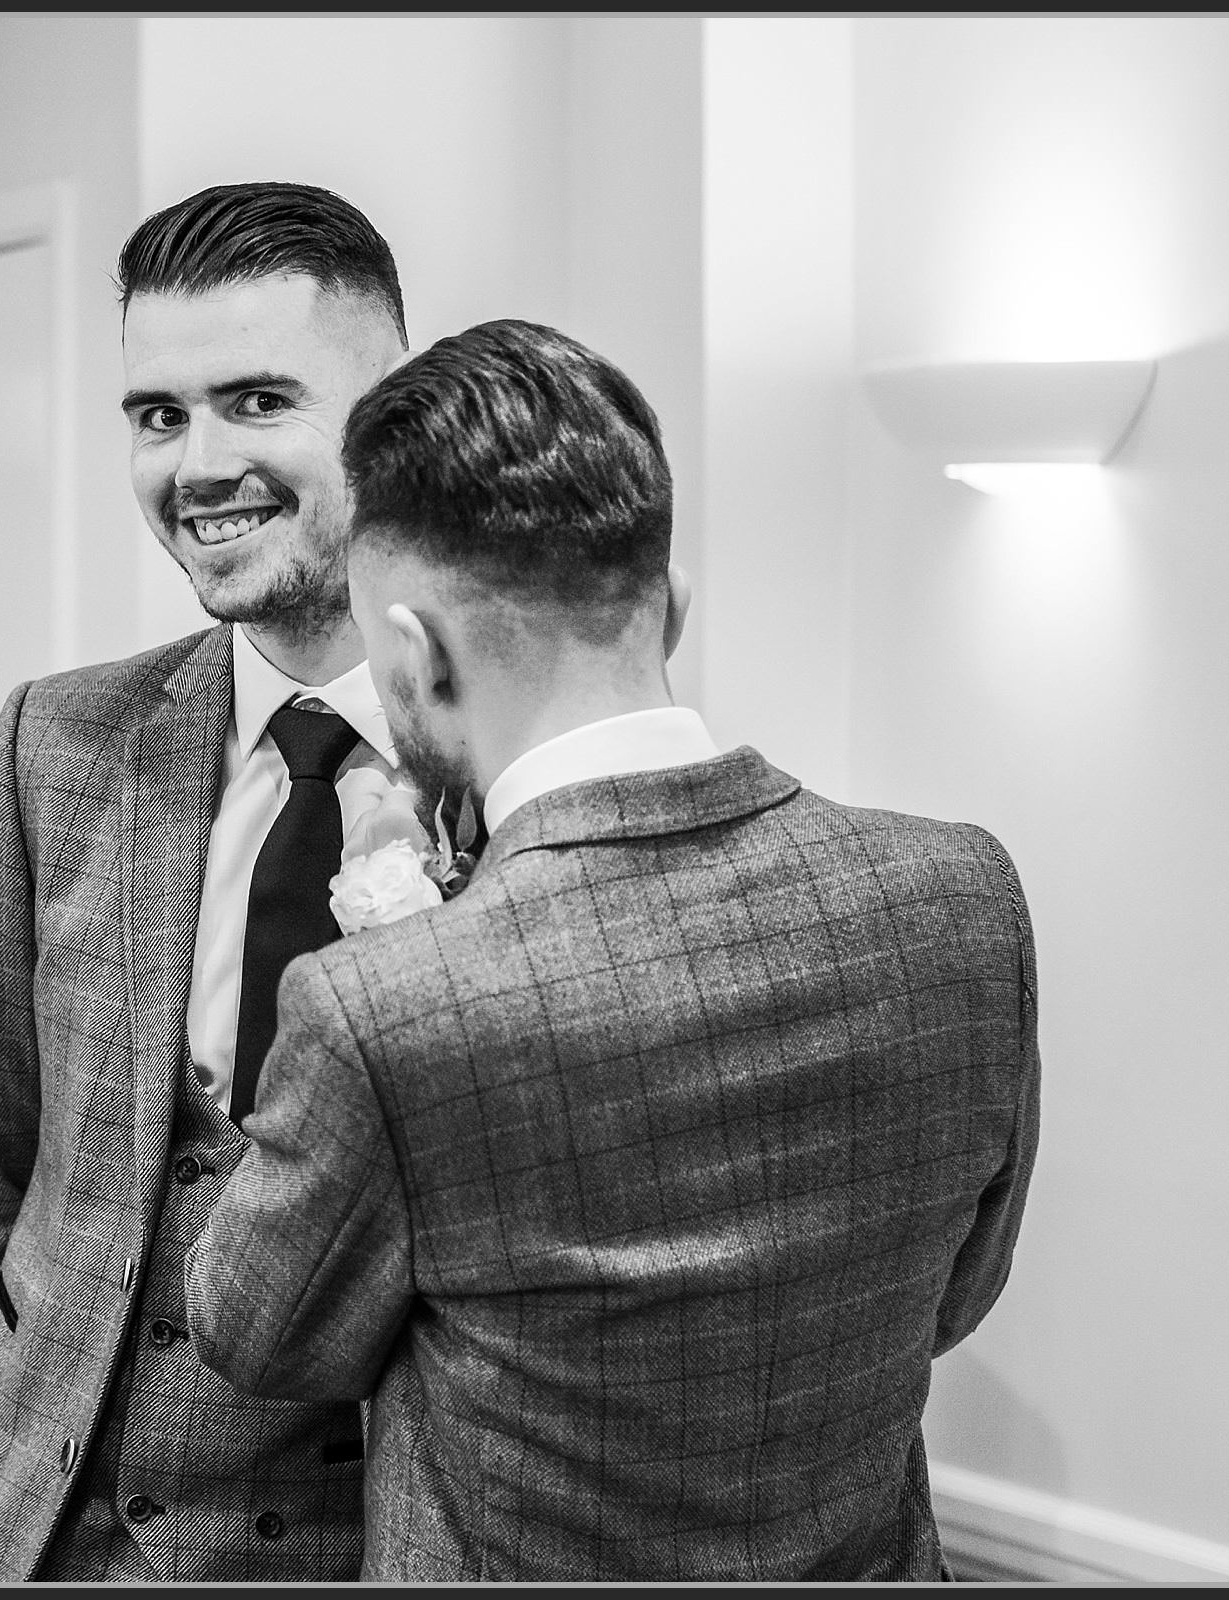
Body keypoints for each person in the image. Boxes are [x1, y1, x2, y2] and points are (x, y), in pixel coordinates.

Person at [186, 320, 1041, 1582]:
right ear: (673, 608)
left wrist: (409, 933)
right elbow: (955, 1295)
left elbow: (256, 1333)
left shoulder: (389, 1007)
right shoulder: (963, 892)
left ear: (414, 656)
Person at [0, 182, 415, 1582]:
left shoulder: (516, 777)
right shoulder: (58, 743)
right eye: (157, 415)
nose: (197, 464)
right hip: (32, 1529)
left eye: (258, 401)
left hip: (363, 1541)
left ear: (394, 414)